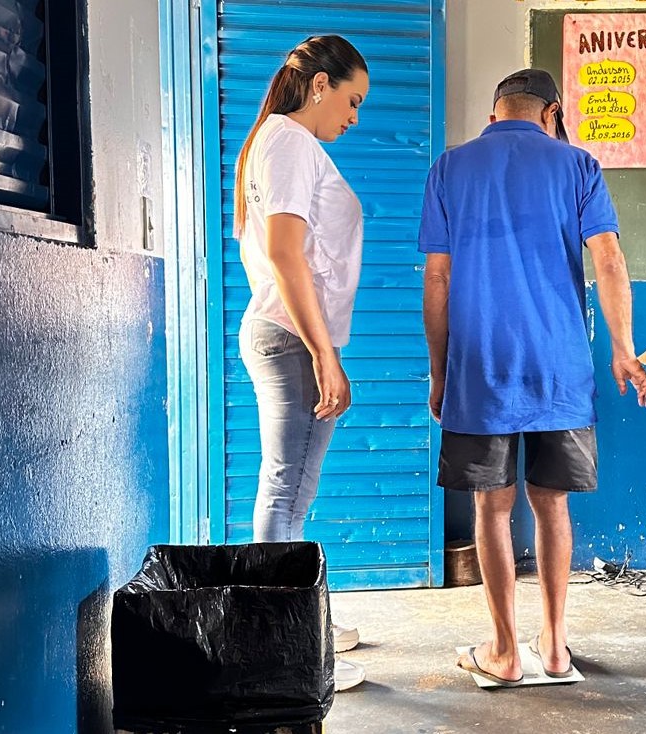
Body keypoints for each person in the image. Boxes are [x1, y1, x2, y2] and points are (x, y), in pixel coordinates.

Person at [419, 68, 646, 686]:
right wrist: (624, 351)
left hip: (480, 368)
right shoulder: (579, 166)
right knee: (551, 505)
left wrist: (441, 371)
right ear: (552, 114)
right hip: (559, 367)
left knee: (491, 507)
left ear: (494, 115)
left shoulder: (450, 167)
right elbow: (609, 260)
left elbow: (438, 278)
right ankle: (554, 647)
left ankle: (503, 653)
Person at [233, 35, 369, 690]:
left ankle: (297, 623)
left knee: (293, 492)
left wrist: (325, 347)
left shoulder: (280, 141)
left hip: (292, 334)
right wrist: (322, 352)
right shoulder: (287, 141)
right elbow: (286, 254)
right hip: (289, 337)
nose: (354, 116)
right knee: (284, 488)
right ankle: (276, 647)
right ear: (320, 85)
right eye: (352, 100)